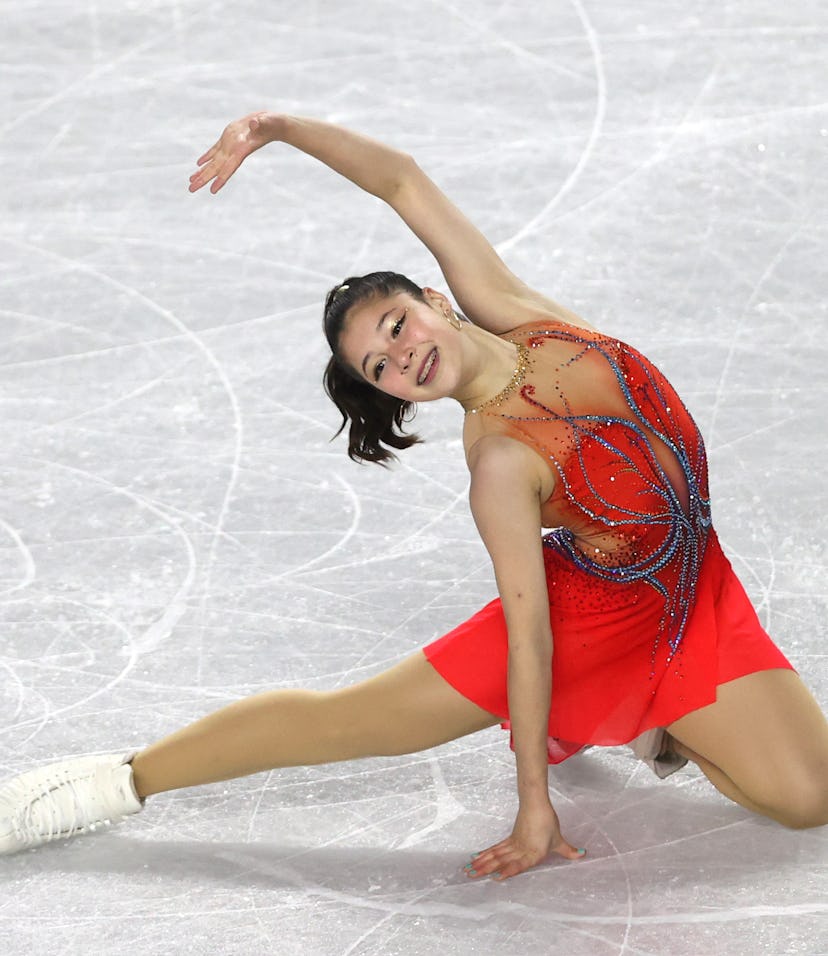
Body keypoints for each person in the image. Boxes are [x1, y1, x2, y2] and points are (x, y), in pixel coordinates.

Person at [2, 113, 827, 882]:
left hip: (693, 590)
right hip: (587, 625)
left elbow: (400, 181)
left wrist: (279, 127)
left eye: (396, 328)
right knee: (349, 721)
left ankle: (656, 721)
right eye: (380, 369)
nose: (402, 359)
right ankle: (111, 781)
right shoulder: (501, 462)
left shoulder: (516, 312)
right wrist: (534, 804)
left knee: (810, 799)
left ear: (435, 299)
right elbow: (531, 638)